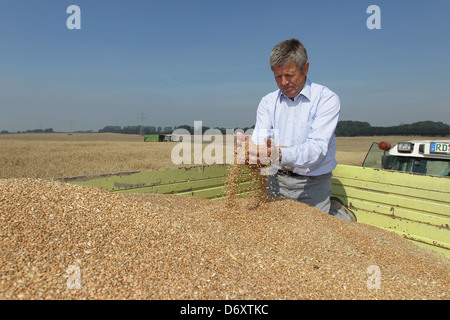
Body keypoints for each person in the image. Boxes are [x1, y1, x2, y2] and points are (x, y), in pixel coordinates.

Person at [237, 38, 356, 222]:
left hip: (313, 183)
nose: (284, 82)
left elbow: (316, 150)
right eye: (278, 76)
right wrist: (252, 154)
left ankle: (341, 215)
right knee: (275, 230)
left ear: (305, 68)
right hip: (275, 180)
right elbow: (261, 142)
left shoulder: (326, 99)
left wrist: (278, 154)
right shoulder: (268, 102)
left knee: (315, 233)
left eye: (290, 75)